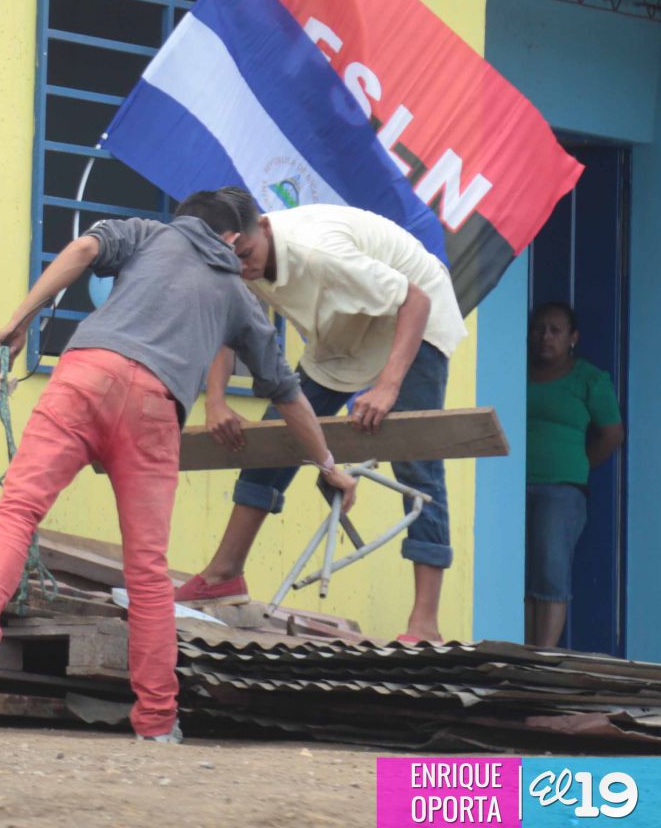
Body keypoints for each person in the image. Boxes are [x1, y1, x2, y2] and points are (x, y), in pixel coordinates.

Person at [0, 191, 355, 743]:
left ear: (187, 219)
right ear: (234, 240)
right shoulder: (239, 298)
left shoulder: (149, 234)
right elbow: (288, 394)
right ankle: (157, 722)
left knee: (17, 513)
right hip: (153, 410)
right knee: (147, 572)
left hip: (84, 377)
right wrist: (328, 463)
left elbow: (83, 249)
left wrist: (19, 319)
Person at [180, 191, 465, 644]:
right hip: (342, 333)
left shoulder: (319, 251)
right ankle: (224, 575)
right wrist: (215, 399)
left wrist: (388, 385)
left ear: (265, 228)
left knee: (416, 458)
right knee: (273, 440)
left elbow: (414, 301)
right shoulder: (235, 257)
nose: (242, 268)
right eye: (229, 260)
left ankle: (425, 623)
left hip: (413, 321)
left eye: (247, 255)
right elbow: (227, 321)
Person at [524, 300, 623, 648]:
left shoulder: (590, 379)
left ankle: (543, 654)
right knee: (520, 571)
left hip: (562, 491)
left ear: (572, 338)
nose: (544, 336)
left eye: (555, 330)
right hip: (513, 488)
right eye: (539, 328)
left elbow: (612, 434)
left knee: (550, 570)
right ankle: (523, 653)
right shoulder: (515, 370)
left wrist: (578, 466)